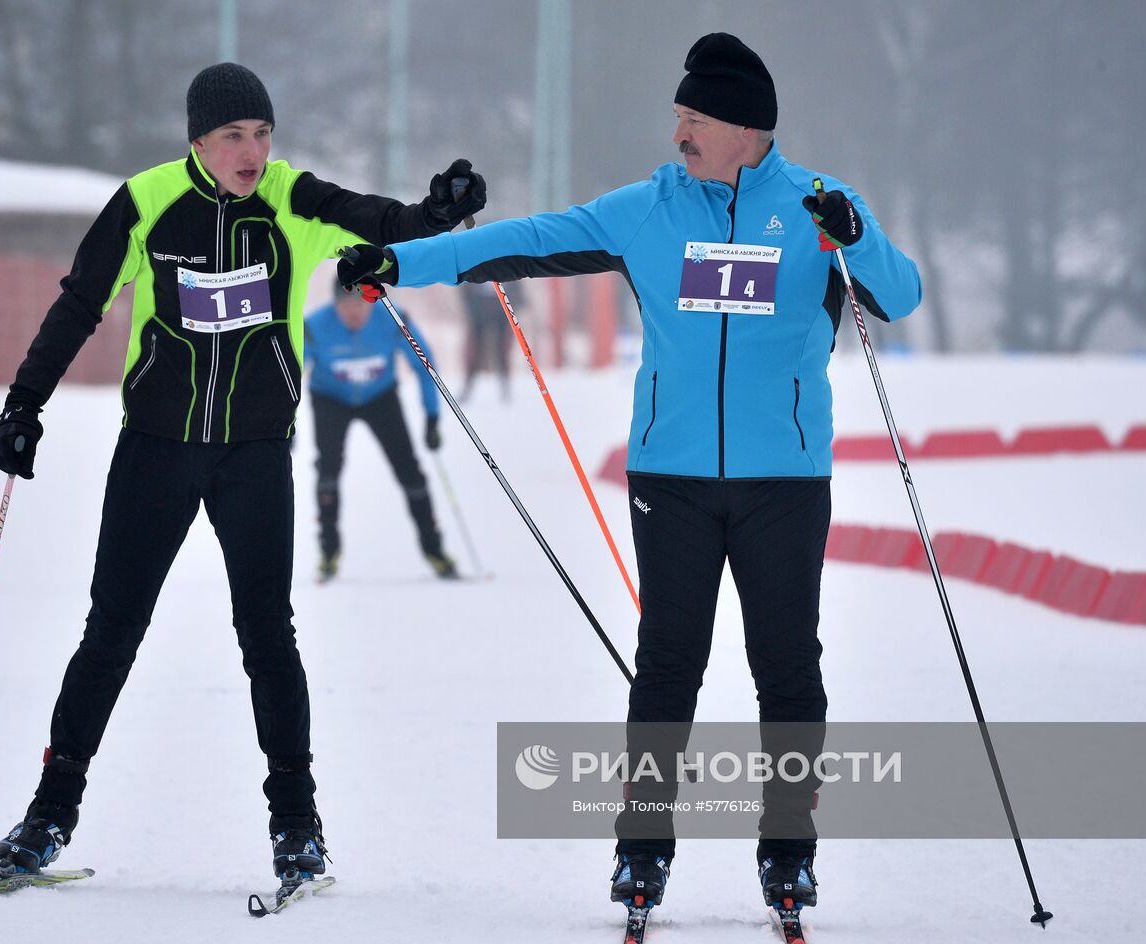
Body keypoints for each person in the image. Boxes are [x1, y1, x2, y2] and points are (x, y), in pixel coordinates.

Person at [338, 33, 920, 916]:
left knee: (788, 666)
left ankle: (789, 853)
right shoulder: (651, 208)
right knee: (668, 665)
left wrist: (858, 239)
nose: (679, 132)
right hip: (670, 478)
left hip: (784, 480)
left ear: (745, 129)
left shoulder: (817, 206)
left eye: (695, 119)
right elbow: (528, 240)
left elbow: (900, 295)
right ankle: (642, 851)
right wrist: (397, 261)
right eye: (678, 116)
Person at [0, 62, 485, 888]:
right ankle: (48, 815)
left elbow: (383, 222)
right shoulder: (146, 201)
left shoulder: (292, 198)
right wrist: (23, 404)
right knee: (111, 633)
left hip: (254, 454)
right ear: (198, 141)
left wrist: (437, 211)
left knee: (267, 636)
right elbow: (80, 303)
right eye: (233, 136)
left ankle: (297, 825)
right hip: (156, 450)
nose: (253, 152)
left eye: (262, 134)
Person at [303, 276, 457, 582]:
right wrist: (285, 423)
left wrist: (432, 417)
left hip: (380, 397)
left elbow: (425, 366)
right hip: (330, 398)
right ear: (335, 304)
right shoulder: (315, 326)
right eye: (345, 305)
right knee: (328, 469)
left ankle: (434, 549)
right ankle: (329, 551)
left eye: (360, 304)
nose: (354, 312)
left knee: (409, 470)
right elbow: (291, 374)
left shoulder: (392, 318)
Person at [457, 278, 515, 402]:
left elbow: (515, 280)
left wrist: (515, 302)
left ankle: (506, 389)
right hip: (479, 304)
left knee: (502, 349)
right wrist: (469, 303)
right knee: (475, 350)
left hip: (502, 302)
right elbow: (465, 282)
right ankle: (468, 388)